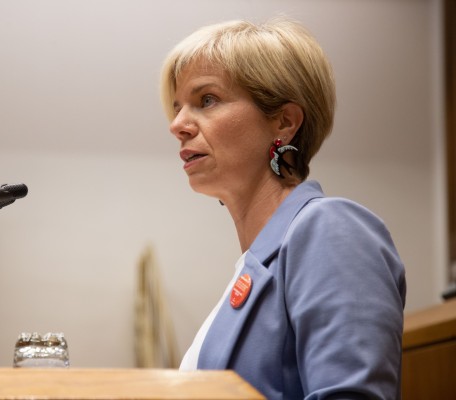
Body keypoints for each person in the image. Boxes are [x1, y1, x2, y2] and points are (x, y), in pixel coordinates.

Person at [159, 18, 406, 400]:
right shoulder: (250, 273)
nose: (178, 124)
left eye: (206, 100)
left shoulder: (330, 229)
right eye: (177, 107)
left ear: (284, 122)